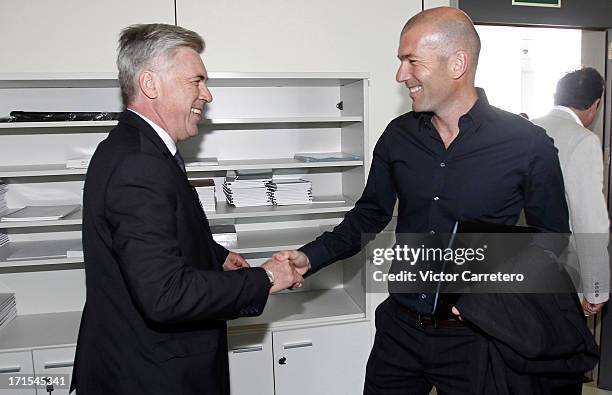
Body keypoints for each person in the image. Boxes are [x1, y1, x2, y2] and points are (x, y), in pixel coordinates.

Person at [275, 7, 594, 394]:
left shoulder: (527, 145)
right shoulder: (398, 136)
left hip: (476, 338)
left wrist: (486, 298)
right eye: (400, 61)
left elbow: (552, 238)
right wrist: (310, 257)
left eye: (412, 61)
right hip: (400, 331)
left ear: (457, 63)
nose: (400, 75)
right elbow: (368, 216)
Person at [70, 23, 302, 395]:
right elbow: (165, 294)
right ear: (151, 84)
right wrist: (266, 278)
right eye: (196, 81)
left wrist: (217, 255)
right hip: (150, 376)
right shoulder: (139, 163)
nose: (207, 95)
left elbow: (155, 233)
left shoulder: (132, 146)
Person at [532, 67, 610, 315]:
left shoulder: (523, 129)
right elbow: (590, 223)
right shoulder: (583, 141)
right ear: (595, 104)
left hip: (517, 263)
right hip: (562, 273)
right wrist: (596, 288)